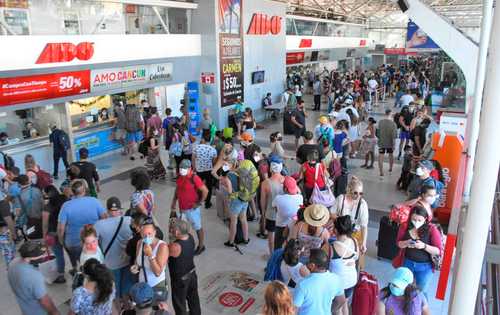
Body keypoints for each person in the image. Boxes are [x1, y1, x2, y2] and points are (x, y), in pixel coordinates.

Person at [58, 179, 106, 274]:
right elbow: (104, 218)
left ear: (72, 191)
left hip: (73, 242)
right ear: (84, 190)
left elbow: (61, 227)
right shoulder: (94, 201)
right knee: (97, 261)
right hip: (93, 239)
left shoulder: (66, 206)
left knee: (81, 262)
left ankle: (79, 271)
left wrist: (61, 240)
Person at [396, 205, 443, 295]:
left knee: (421, 293)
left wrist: (424, 246)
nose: (416, 222)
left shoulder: (432, 229)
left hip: (425, 267)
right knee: (404, 289)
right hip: (407, 263)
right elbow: (398, 243)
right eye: (414, 219)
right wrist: (406, 243)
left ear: (425, 219)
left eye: (419, 220)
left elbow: (438, 251)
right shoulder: (405, 227)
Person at [95, 197, 133, 300]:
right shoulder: (129, 220)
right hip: (127, 261)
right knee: (126, 290)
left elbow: (95, 243)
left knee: (114, 292)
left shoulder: (99, 225)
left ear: (107, 210)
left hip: (110, 264)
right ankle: (126, 308)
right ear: (120, 209)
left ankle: (118, 308)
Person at [8, 241, 60, 315]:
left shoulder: (13, 263)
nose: (43, 256)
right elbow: (45, 301)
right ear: (31, 258)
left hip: (25, 309)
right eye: (42, 255)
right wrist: (55, 312)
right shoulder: (34, 276)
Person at [171, 159, 208, 255]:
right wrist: (174, 201)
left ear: (190, 168)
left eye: (184, 168)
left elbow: (205, 191)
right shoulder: (180, 176)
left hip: (192, 209)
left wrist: (199, 203)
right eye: (180, 168)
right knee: (184, 228)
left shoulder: (194, 178)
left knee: (197, 227)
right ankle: (187, 245)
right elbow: (178, 188)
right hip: (182, 208)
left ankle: (201, 246)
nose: (182, 170)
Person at [293, 248, 346, 315]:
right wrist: (329, 311)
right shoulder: (336, 279)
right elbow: (341, 300)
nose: (305, 264)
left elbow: (294, 310)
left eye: (307, 262)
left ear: (312, 265)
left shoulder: (302, 284)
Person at [332, 176, 368, 269]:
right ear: (349, 190)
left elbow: (364, 226)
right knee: (341, 257)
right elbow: (331, 213)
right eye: (355, 193)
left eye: (361, 193)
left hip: (356, 233)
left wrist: (364, 243)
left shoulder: (363, 204)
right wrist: (341, 221)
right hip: (342, 233)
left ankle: (358, 272)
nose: (358, 196)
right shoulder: (341, 199)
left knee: (358, 259)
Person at [168, 218, 201, 315]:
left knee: (179, 304)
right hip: (192, 273)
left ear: (177, 232)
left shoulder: (175, 246)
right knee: (194, 299)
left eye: (172, 229)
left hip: (181, 279)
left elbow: (165, 254)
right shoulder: (190, 237)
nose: (170, 231)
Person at [326, 215, 359, 315]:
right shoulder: (355, 241)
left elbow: (323, 262)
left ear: (335, 230)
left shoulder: (331, 247)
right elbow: (357, 259)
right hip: (352, 280)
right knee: (344, 303)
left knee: (337, 308)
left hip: (339, 283)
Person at [131, 218, 169, 289]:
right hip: (142, 285)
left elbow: (157, 273)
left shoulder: (162, 246)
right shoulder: (140, 243)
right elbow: (137, 262)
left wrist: (150, 255)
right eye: (144, 234)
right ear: (140, 233)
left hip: (157, 286)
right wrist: (135, 267)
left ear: (155, 232)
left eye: (149, 234)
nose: (147, 237)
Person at [42, 185, 68, 283]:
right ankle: (75, 269)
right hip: (66, 231)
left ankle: (61, 275)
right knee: (71, 252)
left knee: (59, 255)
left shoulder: (48, 206)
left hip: (54, 233)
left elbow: (45, 223)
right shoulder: (64, 199)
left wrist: (44, 236)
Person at [260, 155, 285, 255]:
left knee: (271, 238)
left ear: (271, 168)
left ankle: (272, 256)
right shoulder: (287, 180)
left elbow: (263, 201)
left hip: (271, 215)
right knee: (282, 237)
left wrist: (263, 213)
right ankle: (280, 255)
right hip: (283, 215)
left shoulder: (266, 183)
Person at [273, 176, 303, 250]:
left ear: (285, 189)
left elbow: (275, 209)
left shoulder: (278, 198)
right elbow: (299, 192)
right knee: (290, 247)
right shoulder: (300, 197)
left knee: (277, 246)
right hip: (293, 226)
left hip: (281, 225)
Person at [14, 174, 44, 239]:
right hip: (42, 218)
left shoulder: (19, 195)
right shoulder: (37, 190)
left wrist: (16, 220)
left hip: (30, 221)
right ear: (28, 181)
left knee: (32, 238)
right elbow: (43, 204)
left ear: (19, 184)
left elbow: (18, 212)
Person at [192, 132, 217, 209]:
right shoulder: (213, 149)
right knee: (209, 186)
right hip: (208, 170)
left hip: (199, 170)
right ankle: (207, 203)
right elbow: (214, 161)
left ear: (203, 139)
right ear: (210, 140)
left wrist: (194, 167)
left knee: (197, 185)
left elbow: (193, 159)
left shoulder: (196, 147)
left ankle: (197, 200)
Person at [377, 109, 397, 177]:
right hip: (390, 143)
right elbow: (394, 136)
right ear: (391, 114)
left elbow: (377, 133)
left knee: (380, 156)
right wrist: (394, 145)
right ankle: (390, 168)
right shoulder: (393, 124)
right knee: (390, 156)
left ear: (385, 113)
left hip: (382, 142)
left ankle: (381, 172)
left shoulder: (380, 122)